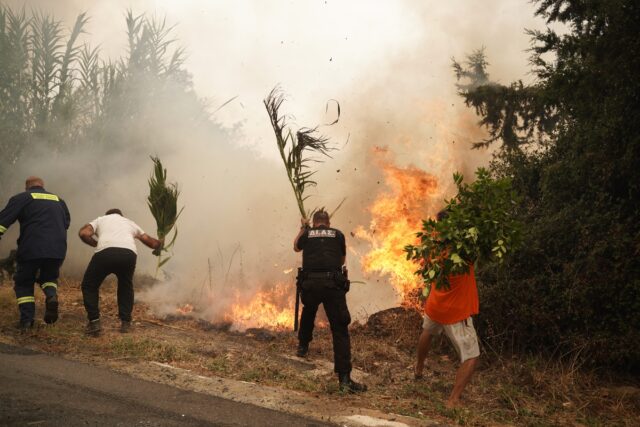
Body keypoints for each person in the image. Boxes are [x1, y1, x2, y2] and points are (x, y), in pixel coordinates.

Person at [293, 209, 366, 393]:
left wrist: (303, 227)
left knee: (309, 312)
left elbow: (296, 246)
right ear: (328, 222)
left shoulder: (308, 233)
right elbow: (342, 260)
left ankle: (302, 346)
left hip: (310, 284)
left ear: (315, 222)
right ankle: (344, 380)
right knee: (340, 329)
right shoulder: (338, 234)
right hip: (332, 286)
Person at [414, 209, 480, 408]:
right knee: (471, 356)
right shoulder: (463, 250)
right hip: (456, 312)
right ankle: (453, 400)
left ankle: (418, 370)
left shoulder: (432, 248)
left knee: (428, 332)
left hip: (435, 306)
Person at [0, 176, 70, 331]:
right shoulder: (59, 200)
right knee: (49, 277)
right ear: (42, 186)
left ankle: (27, 322)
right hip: (57, 249)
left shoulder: (22, 198)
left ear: (27, 187)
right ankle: (51, 295)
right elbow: (66, 223)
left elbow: (3, 220)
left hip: (32, 247)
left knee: (24, 282)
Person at [78, 208, 162, 336]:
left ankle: (94, 322)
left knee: (89, 286)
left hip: (105, 253)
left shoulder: (101, 219)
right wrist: (160, 243)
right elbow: (151, 242)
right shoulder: (129, 222)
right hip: (128, 254)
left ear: (108, 215)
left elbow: (84, 233)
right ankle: (126, 323)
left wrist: (95, 243)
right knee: (125, 286)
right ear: (121, 216)